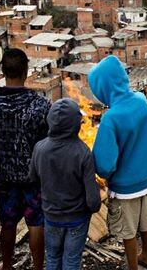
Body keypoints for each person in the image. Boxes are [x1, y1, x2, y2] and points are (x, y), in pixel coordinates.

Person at [0, 48, 49, 270]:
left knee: (7, 223)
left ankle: (7, 265)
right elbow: (45, 142)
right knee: (36, 223)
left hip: (5, 176)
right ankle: (38, 266)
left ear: (3, 71)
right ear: (26, 71)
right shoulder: (40, 105)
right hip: (33, 176)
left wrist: (1, 157)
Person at [89, 56, 147, 270]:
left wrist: (100, 173)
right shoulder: (140, 100)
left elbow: (105, 164)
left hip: (125, 186)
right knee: (145, 221)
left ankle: (132, 267)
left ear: (103, 88)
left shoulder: (111, 118)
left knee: (128, 231)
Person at [30, 98, 100, 270]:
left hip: (51, 217)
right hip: (77, 219)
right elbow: (93, 201)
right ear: (77, 123)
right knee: (71, 259)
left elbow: (32, 178)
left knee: (53, 258)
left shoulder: (39, 148)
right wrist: (93, 208)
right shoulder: (83, 153)